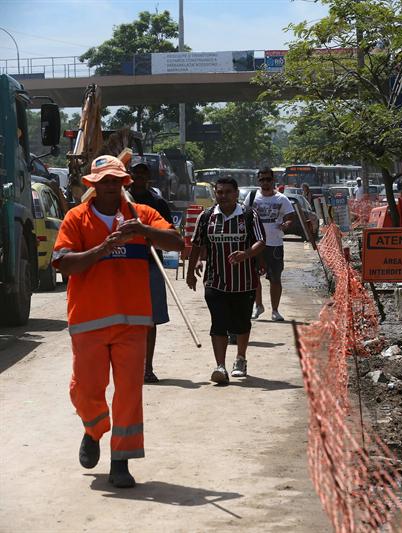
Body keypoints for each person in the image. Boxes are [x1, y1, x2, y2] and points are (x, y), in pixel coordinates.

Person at [52, 155, 183, 488]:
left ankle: (121, 461)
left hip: (132, 321)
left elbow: (177, 242)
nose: (111, 186)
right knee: (85, 389)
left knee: (129, 392)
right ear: (93, 185)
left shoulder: (142, 216)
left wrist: (144, 231)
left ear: (124, 184)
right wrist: (102, 249)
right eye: (104, 181)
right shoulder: (76, 218)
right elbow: (63, 264)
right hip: (88, 320)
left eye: (116, 181)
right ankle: (94, 430)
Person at [187, 178, 265, 384]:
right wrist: (190, 270)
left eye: (227, 192)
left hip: (244, 282)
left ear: (236, 193)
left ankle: (240, 358)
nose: (223, 196)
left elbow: (261, 241)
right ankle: (220, 366)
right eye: (219, 192)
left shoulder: (248, 215)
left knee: (241, 323)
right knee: (218, 322)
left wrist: (246, 254)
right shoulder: (207, 216)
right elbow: (196, 244)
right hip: (215, 280)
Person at [127, 157, 173, 383]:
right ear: (130, 175)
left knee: (150, 320)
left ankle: (148, 367)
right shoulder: (120, 200)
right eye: (136, 173)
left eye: (144, 174)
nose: (140, 177)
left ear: (148, 177)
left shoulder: (157, 202)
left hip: (151, 264)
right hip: (125, 266)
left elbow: (170, 236)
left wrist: (152, 236)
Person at [246, 167, 296, 322]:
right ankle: (258, 305)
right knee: (254, 277)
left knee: (275, 278)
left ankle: (275, 310)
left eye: (268, 179)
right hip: (255, 244)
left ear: (273, 180)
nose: (265, 182)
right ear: (258, 181)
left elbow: (290, 216)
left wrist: (286, 224)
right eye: (262, 179)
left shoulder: (281, 199)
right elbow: (245, 214)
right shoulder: (252, 196)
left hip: (274, 244)